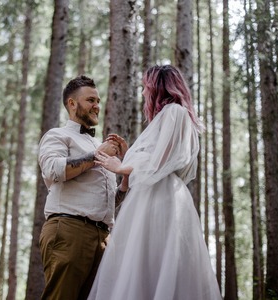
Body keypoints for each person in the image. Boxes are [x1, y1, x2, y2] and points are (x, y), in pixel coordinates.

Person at [89, 65, 222, 300]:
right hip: (159, 193)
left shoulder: (174, 111)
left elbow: (163, 160)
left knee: (150, 259)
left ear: (158, 88)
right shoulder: (173, 116)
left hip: (160, 194)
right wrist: (129, 157)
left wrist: (121, 167)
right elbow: (157, 156)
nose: (143, 93)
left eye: (145, 87)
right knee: (148, 261)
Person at [38, 75, 129, 300]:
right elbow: (53, 169)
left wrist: (125, 176)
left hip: (103, 238)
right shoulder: (57, 135)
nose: (97, 106)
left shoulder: (99, 146)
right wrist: (100, 154)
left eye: (98, 101)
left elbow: (107, 201)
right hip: (69, 230)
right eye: (90, 100)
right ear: (72, 103)